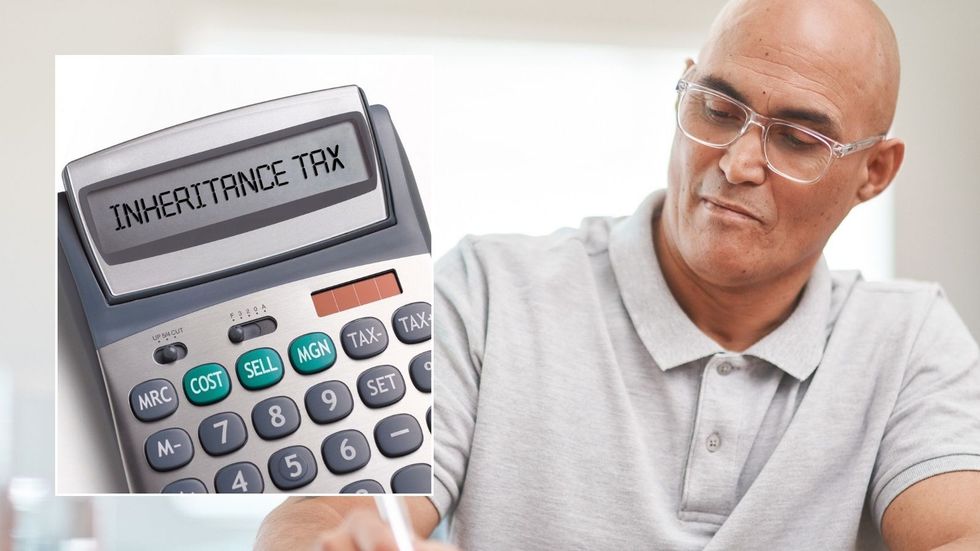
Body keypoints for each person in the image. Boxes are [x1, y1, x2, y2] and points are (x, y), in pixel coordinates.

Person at [256, 0, 980, 549]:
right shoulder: (488, 293)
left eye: (797, 137)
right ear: (681, 95)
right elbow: (324, 512)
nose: (737, 163)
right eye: (719, 109)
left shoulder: (908, 341)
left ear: (874, 172)